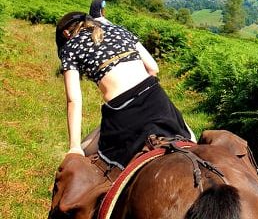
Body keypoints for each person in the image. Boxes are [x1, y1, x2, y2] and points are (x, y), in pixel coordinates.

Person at [49, 12, 194, 217]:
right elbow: (153, 68)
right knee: (191, 142)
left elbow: (74, 99)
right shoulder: (118, 29)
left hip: (125, 113)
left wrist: (74, 147)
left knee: (81, 163)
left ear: (66, 32)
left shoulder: (70, 47)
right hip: (158, 100)